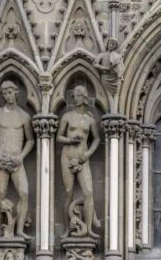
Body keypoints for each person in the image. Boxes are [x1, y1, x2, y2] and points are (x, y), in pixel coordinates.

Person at [0, 80, 35, 239]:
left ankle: (20, 229)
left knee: (24, 192)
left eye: (10, 92)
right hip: (1, 159)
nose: (8, 96)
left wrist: (20, 157)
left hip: (16, 161)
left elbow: (30, 140)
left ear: (16, 92)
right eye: (4, 93)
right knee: (1, 192)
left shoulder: (24, 116)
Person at [57, 85, 101, 238]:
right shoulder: (67, 117)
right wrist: (70, 140)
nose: (76, 99)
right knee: (68, 192)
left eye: (79, 95)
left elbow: (96, 139)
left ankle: (88, 229)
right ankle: (67, 230)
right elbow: (59, 137)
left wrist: (87, 155)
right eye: (74, 96)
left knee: (88, 192)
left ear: (84, 97)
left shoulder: (90, 120)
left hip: (82, 159)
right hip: (67, 157)